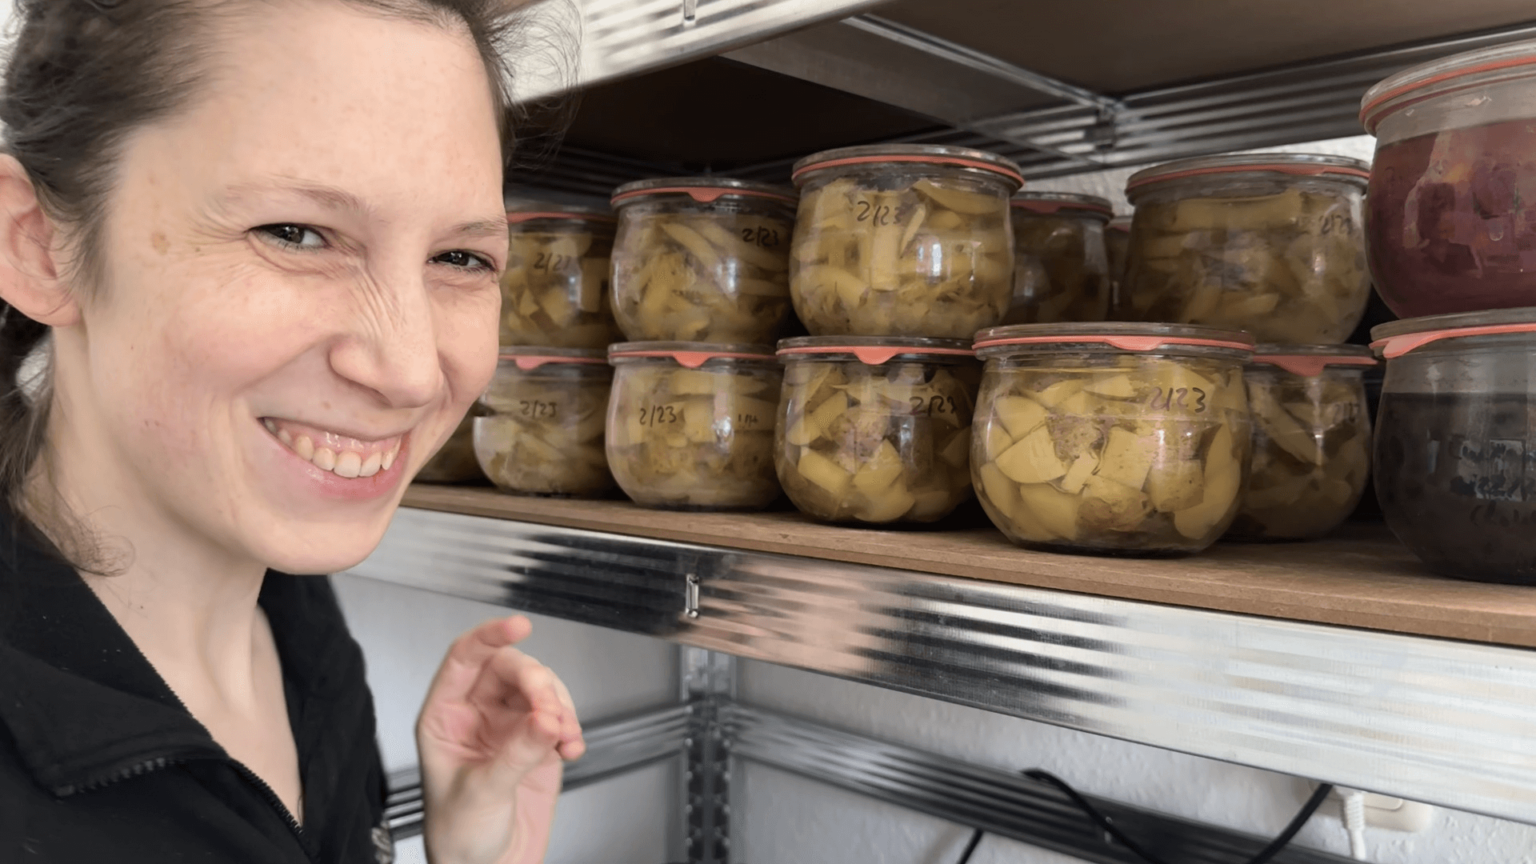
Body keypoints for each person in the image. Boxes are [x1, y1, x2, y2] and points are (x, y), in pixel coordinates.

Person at [0, 0, 585, 862]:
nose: (410, 371)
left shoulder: (295, 615)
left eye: (460, 258)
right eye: (296, 233)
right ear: (39, 244)